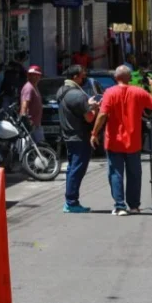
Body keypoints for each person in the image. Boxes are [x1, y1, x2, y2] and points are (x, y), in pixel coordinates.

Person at [90, 65, 152, 216]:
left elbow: (102, 114)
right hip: (133, 141)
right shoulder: (138, 91)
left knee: (116, 173)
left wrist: (94, 133)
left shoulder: (109, 92)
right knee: (134, 174)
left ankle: (120, 206)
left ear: (115, 77)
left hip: (114, 141)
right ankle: (134, 206)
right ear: (130, 78)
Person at [57, 65, 100, 213]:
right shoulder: (78, 95)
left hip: (68, 135)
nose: (84, 78)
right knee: (77, 169)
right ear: (75, 77)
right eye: (82, 75)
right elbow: (89, 118)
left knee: (72, 169)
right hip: (79, 136)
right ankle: (71, 202)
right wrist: (95, 107)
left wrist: (87, 105)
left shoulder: (62, 91)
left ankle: (70, 201)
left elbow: (75, 109)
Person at [19, 65, 45, 143]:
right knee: (39, 146)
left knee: (38, 146)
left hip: (36, 124)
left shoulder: (34, 87)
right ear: (29, 75)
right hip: (31, 124)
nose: (35, 77)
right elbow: (25, 103)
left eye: (37, 75)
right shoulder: (29, 87)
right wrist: (24, 118)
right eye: (33, 75)